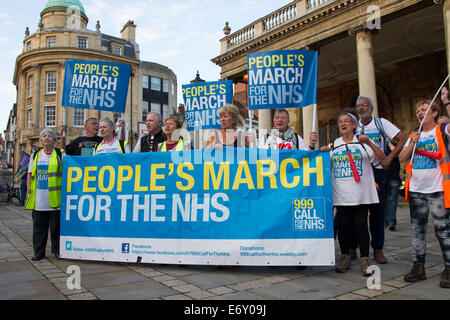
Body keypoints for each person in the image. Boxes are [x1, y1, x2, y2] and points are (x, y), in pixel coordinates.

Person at [321, 108, 387, 276]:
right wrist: (317, 149)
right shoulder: (335, 144)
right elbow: (323, 164)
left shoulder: (362, 142)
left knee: (360, 225)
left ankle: (365, 259)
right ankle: (345, 257)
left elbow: (382, 159)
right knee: (343, 226)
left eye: (346, 121)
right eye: (340, 121)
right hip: (342, 194)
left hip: (361, 194)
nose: (343, 124)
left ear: (354, 124)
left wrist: (370, 143)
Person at [399, 99, 450, 289]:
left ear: (434, 113)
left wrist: (447, 102)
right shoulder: (415, 134)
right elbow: (402, 157)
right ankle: (418, 267)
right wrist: (412, 143)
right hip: (417, 191)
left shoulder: (441, 130)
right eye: (417, 110)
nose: (420, 112)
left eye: (424, 109)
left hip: (436, 190)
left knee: (443, 232)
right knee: (417, 231)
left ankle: (449, 268)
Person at [354, 95, 407, 264]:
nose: (361, 108)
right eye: (358, 106)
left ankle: (377, 249)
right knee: (358, 212)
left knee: (377, 212)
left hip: (377, 173)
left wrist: (390, 158)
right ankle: (354, 248)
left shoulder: (380, 123)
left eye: (364, 105)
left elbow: (402, 139)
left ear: (371, 107)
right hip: (360, 174)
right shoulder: (355, 127)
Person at [25, 128, 65, 261]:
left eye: (49, 136)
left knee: (56, 229)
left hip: (55, 199)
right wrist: (29, 192)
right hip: (39, 200)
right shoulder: (35, 155)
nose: (46, 138)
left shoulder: (60, 154)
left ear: (54, 140)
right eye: (44, 136)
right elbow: (30, 174)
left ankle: (57, 251)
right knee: (38, 230)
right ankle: (38, 252)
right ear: (40, 140)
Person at [385, 140, 401, 231]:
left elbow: (398, 154)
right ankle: (384, 221)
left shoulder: (396, 145)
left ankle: (391, 222)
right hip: (383, 176)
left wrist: (389, 143)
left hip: (393, 177)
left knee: (391, 200)